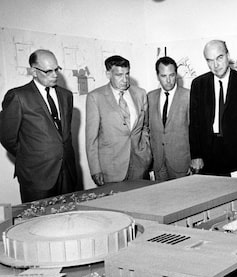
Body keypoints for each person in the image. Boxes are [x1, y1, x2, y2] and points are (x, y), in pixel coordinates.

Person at [0, 49, 78, 203]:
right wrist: (32, 154)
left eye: (57, 69)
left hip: (67, 172)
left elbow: (63, 134)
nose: (55, 75)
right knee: (38, 222)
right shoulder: (18, 96)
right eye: (48, 71)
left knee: (70, 220)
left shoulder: (66, 95)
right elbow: (7, 138)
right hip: (36, 175)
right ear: (34, 72)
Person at [189, 40, 237, 176]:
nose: (215, 65)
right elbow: (194, 124)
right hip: (207, 155)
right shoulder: (198, 84)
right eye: (210, 60)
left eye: (219, 58)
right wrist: (196, 155)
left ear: (228, 55)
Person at [86, 55, 152, 186]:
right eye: (119, 75)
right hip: (111, 168)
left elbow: (145, 126)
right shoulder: (95, 97)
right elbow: (91, 138)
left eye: (127, 74)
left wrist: (146, 152)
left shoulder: (140, 94)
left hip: (139, 165)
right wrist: (95, 169)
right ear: (108, 74)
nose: (125, 80)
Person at [147, 56, 191, 181]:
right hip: (159, 164)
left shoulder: (188, 96)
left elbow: (195, 132)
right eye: (163, 76)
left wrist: (193, 160)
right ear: (157, 76)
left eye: (171, 75)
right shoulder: (150, 97)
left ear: (176, 75)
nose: (168, 80)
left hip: (182, 163)